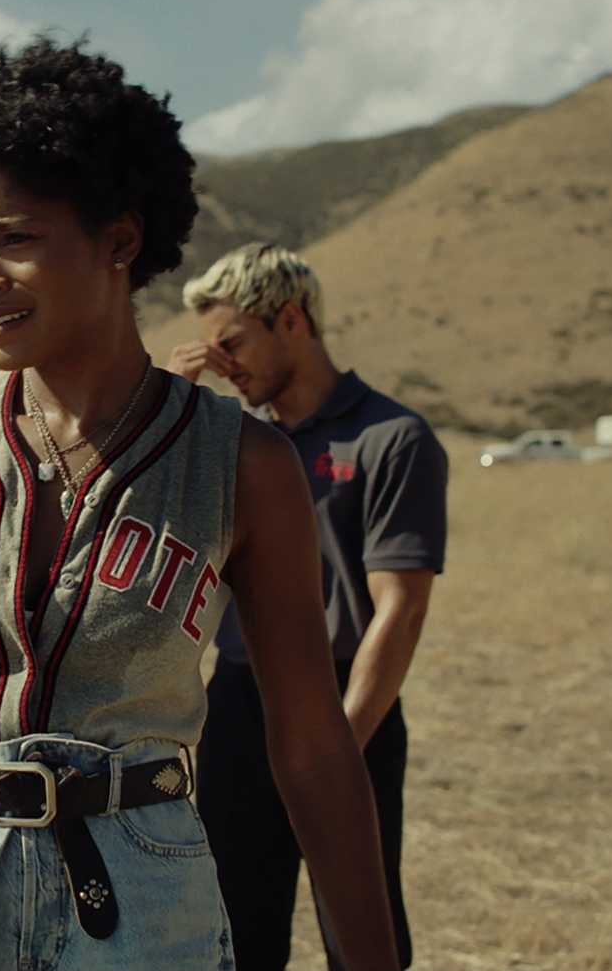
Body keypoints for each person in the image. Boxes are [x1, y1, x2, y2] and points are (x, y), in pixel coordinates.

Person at [0, 37, 401, 971]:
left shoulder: (242, 466)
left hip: (139, 899)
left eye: (13, 238)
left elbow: (309, 742)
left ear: (119, 239)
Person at [170, 243, 447, 971]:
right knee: (230, 934)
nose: (224, 364)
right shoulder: (234, 446)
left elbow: (401, 611)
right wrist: (167, 414)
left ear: (291, 320)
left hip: (346, 701)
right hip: (237, 705)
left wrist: (338, 747)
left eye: (233, 342)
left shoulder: (393, 438)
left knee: (359, 937)